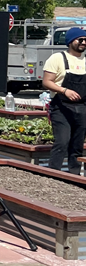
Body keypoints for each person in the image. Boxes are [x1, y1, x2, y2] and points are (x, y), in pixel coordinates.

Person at [42, 27, 86, 175]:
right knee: (62, 141)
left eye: (85, 40)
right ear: (70, 41)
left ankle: (74, 177)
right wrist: (64, 90)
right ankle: (53, 174)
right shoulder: (57, 58)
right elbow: (47, 82)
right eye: (80, 39)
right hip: (61, 107)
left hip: (82, 107)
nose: (83, 42)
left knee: (77, 145)